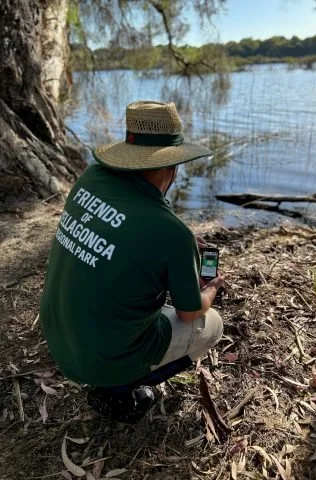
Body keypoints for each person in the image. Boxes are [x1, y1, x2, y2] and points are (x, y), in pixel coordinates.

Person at [40, 100, 224, 423]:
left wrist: (179, 246)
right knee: (213, 325)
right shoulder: (171, 234)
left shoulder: (90, 178)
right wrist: (210, 292)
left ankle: (112, 378)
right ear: (173, 167)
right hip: (100, 360)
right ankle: (118, 390)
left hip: (60, 339)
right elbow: (189, 311)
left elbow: (119, 227)